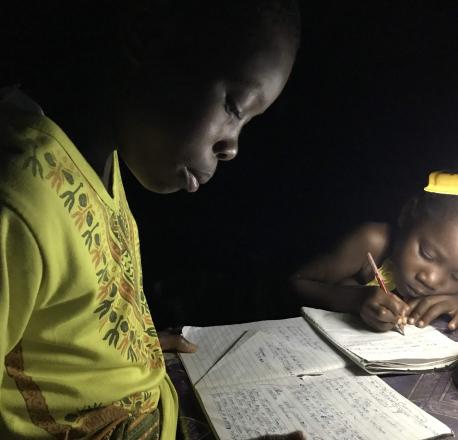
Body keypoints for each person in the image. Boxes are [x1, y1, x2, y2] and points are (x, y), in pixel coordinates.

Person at [0, 1, 305, 439]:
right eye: (235, 108)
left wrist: (120, 349)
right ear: (145, 35)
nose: (232, 147)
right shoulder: (18, 199)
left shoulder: (93, 160)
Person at [289, 171, 458, 333]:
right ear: (407, 214)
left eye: (457, 276)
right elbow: (296, 283)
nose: (431, 279)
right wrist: (356, 299)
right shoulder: (373, 241)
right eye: (426, 253)